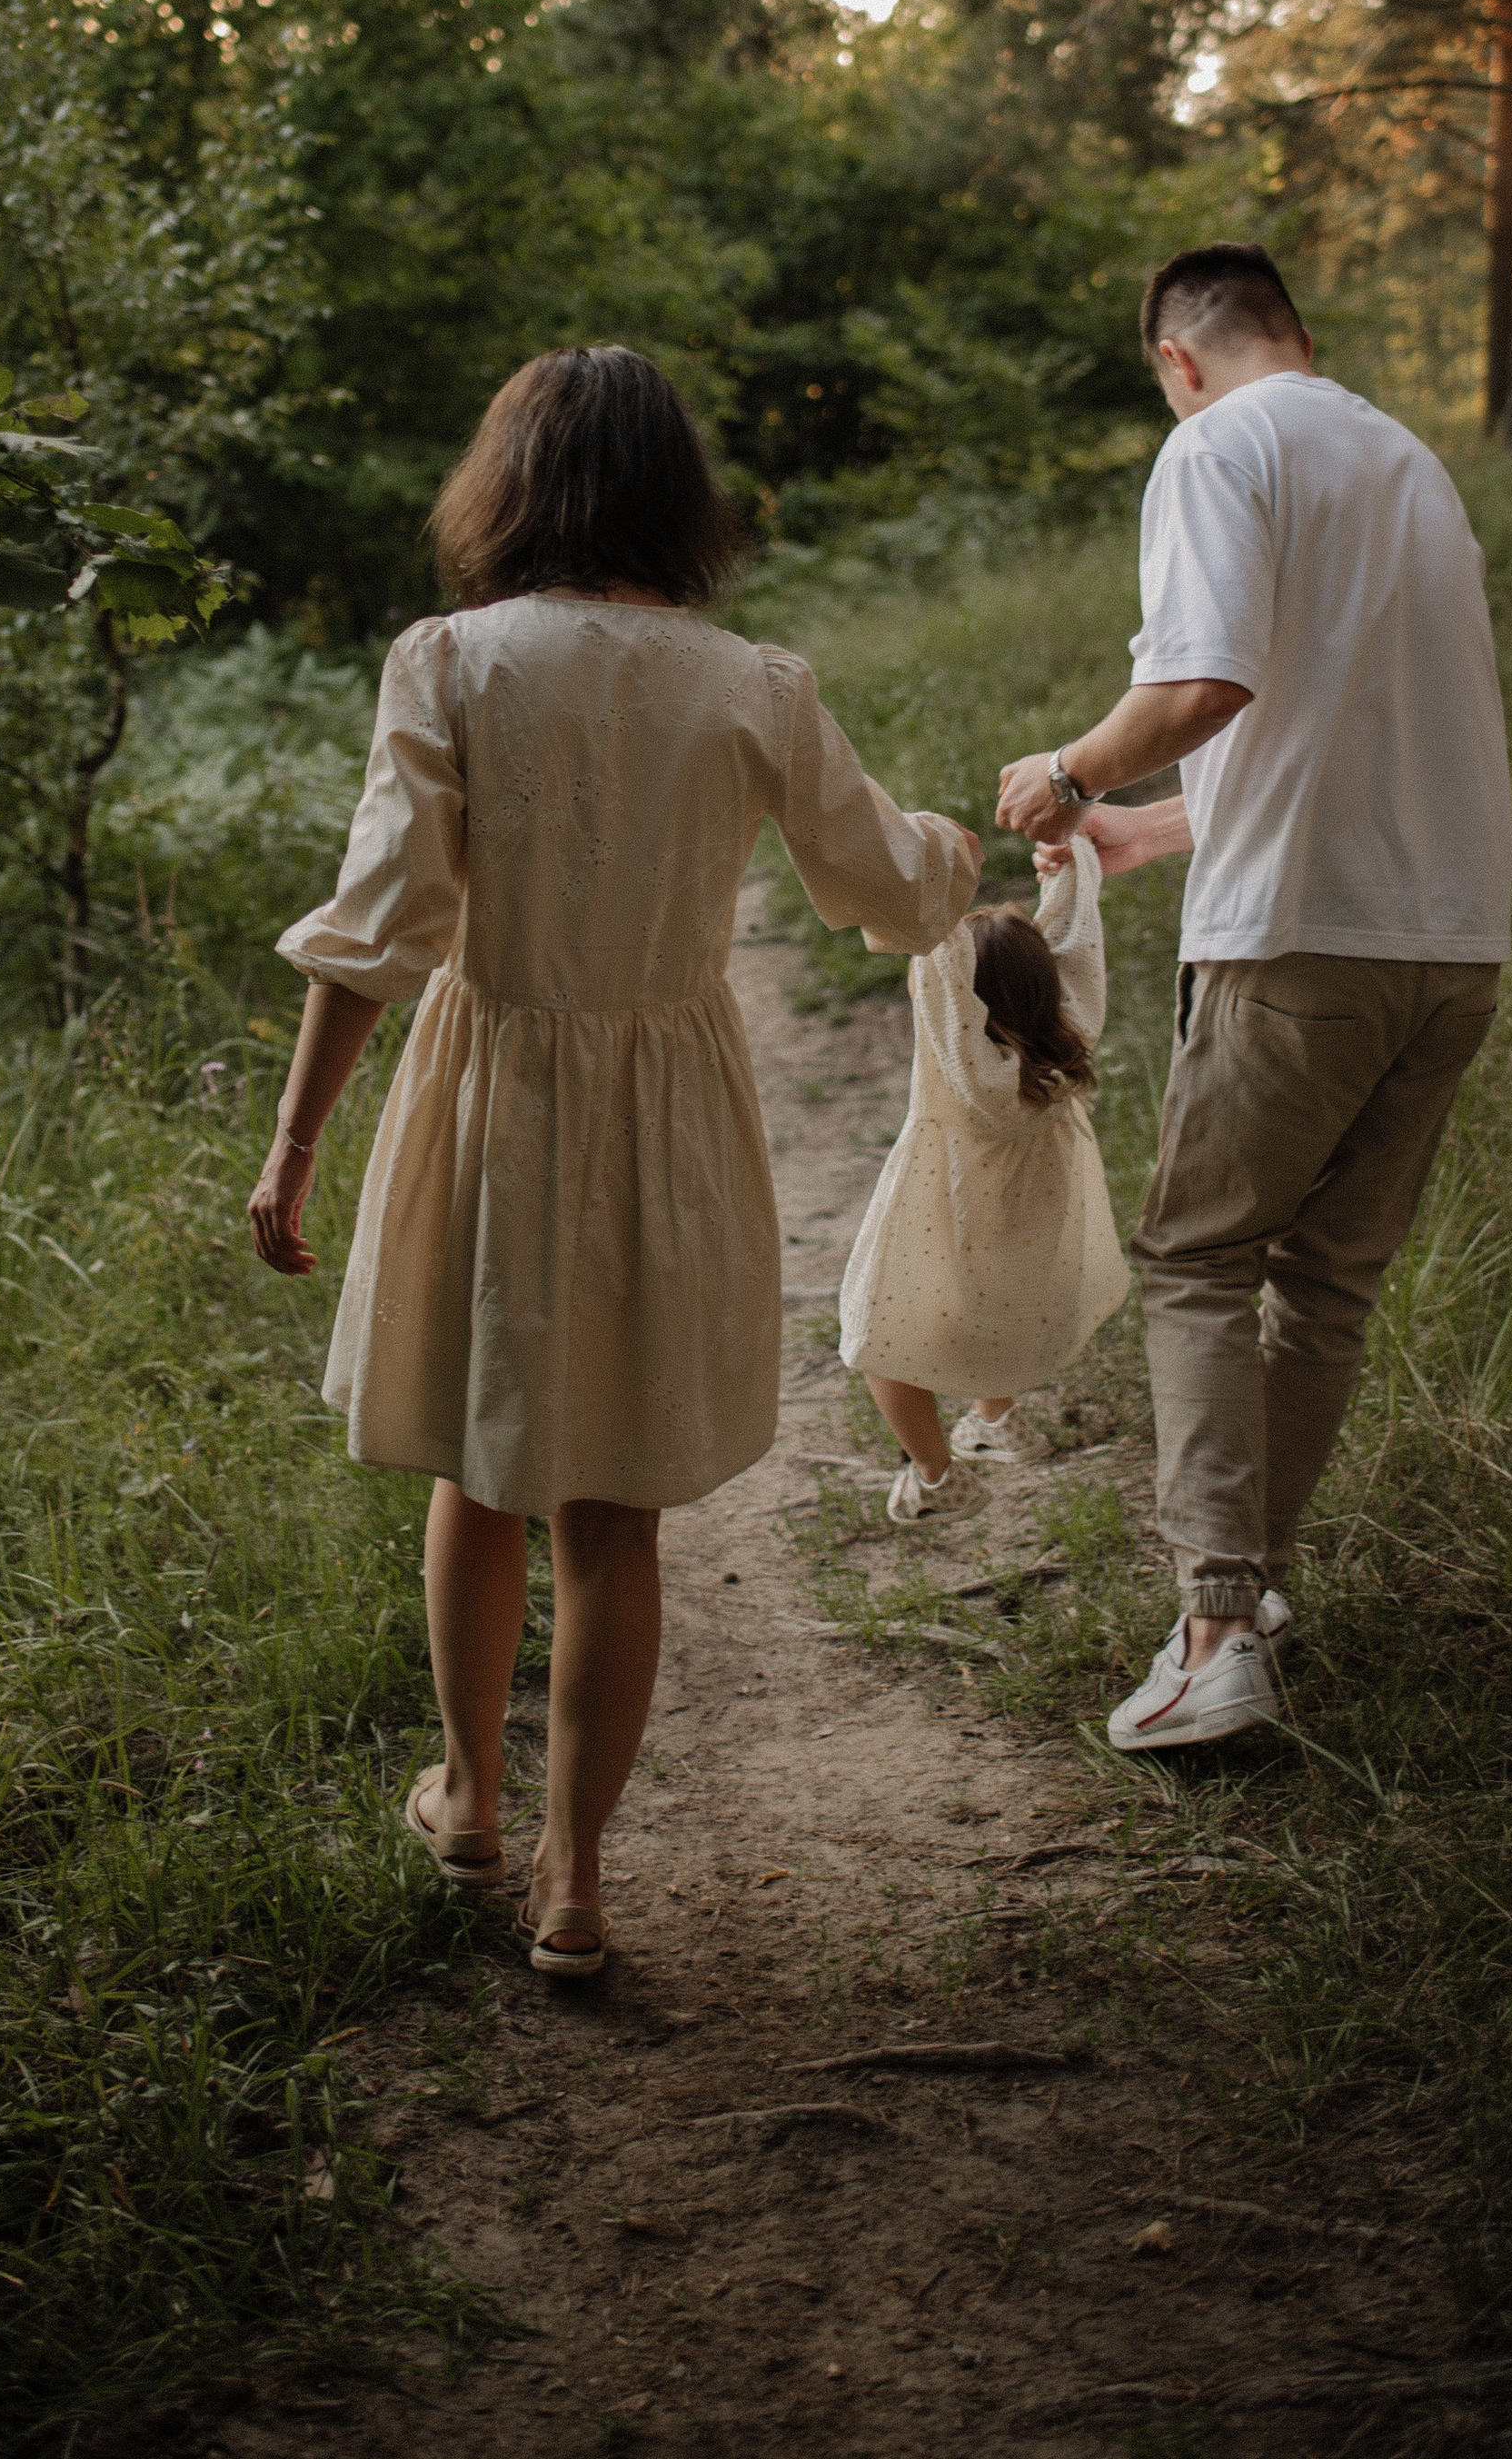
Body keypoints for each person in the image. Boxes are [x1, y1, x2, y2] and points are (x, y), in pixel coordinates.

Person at [247, 346, 979, 1975]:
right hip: (670, 1112)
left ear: (505, 487)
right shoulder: (752, 682)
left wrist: (297, 1140)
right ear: (678, 497)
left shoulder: (444, 660)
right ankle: (578, 1884)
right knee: (614, 1507)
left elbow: (378, 930)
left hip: (489, 1087)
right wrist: (972, 845)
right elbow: (884, 881)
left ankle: (472, 1798)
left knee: (481, 1463)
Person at [995, 242, 1512, 1749]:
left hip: (1301, 944)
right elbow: (1333, 718)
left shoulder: (1217, 444)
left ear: (1176, 360)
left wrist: (1071, 769)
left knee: (1198, 1257)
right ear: (1297, 331)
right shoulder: (1405, 457)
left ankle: (1218, 1627)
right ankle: (1248, 1595)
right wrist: (1150, 829)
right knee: (1324, 1282)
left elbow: (1209, 677)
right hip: (1452, 941)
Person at [840, 849, 1129, 1520]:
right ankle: (997, 1424)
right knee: (1002, 1315)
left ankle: (938, 1476)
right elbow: (1077, 945)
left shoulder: (970, 1072)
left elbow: (945, 984)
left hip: (946, 1211)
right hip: (1029, 1222)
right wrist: (1069, 870)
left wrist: (932, 899)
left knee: (876, 1336)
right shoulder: (1070, 1029)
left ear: (952, 998)